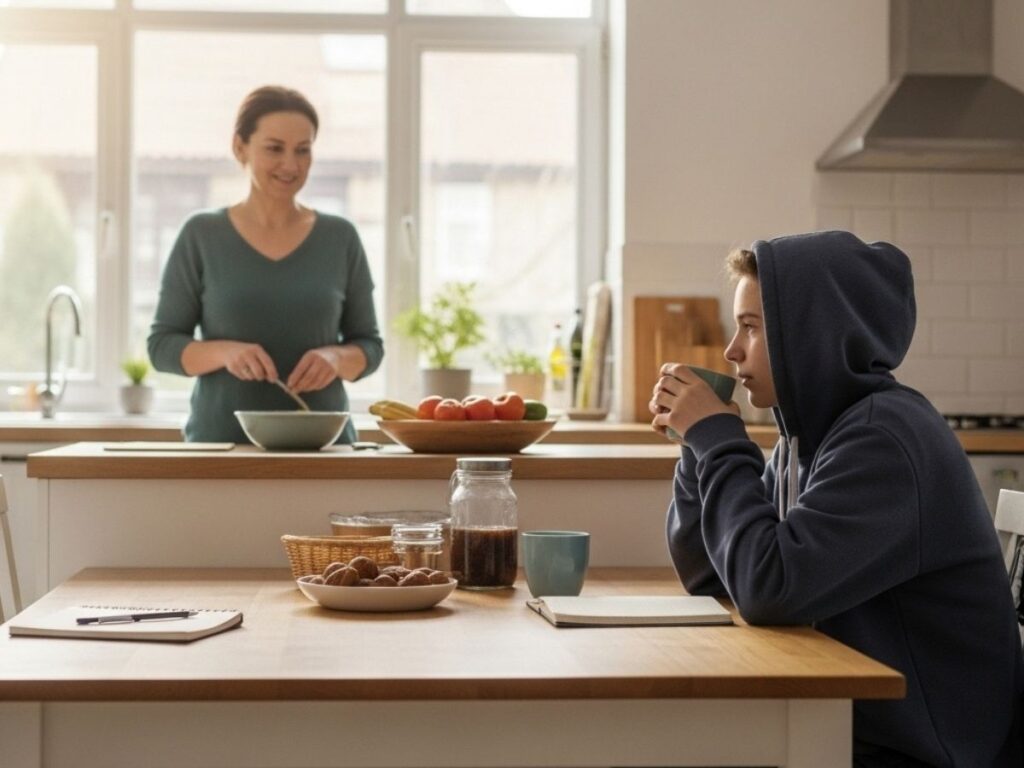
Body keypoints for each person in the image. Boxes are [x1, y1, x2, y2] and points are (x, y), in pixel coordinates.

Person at [650, 230, 1023, 767]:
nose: (732, 351)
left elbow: (768, 590)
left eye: (751, 327)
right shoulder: (808, 437)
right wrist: (698, 450)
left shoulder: (886, 440)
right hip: (854, 725)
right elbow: (713, 577)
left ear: (812, 334)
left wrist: (718, 442)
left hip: (923, 752)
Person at [148, 85, 383, 444]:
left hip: (326, 453)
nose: (291, 164)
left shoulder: (340, 237)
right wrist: (226, 352)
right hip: (220, 450)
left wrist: (336, 357)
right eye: (275, 148)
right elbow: (162, 348)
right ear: (240, 147)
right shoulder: (202, 234)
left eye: (303, 150)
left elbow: (370, 347)